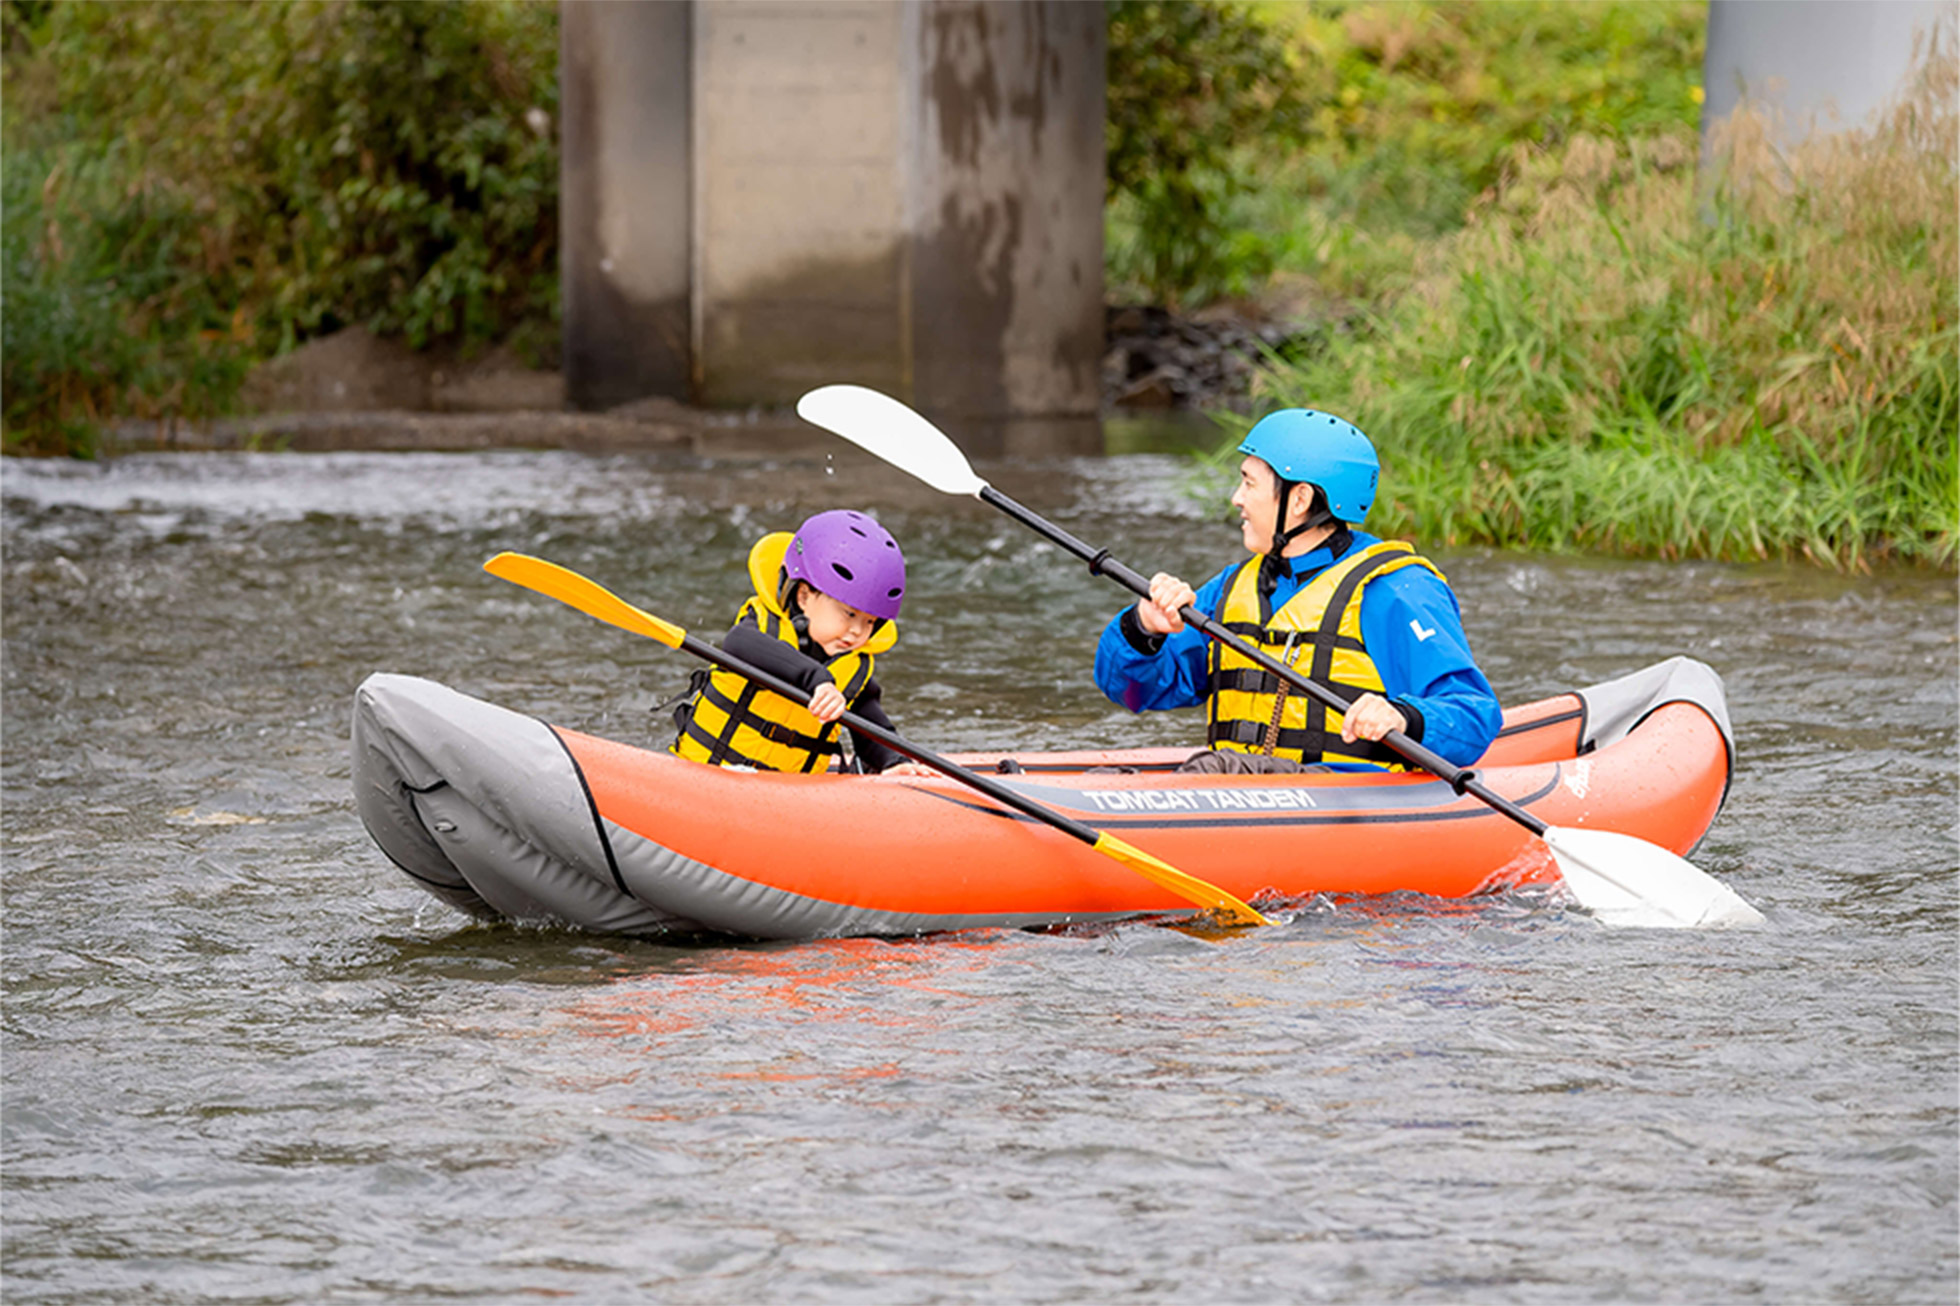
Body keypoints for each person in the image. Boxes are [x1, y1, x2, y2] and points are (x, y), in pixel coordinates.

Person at [1094, 408, 1500, 775]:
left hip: (1347, 804)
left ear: (1299, 499)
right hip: (1239, 792)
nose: (1236, 499)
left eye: (1249, 483)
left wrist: (1402, 717)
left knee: (1213, 769)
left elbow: (1472, 715)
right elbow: (1133, 692)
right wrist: (1143, 628)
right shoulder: (1234, 587)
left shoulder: (1393, 590)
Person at [672, 509, 927, 776]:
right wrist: (817, 680)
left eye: (870, 622)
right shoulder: (758, 632)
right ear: (804, 596)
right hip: (709, 771)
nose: (856, 632)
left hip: (792, 793)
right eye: (849, 614)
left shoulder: (852, 670)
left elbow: (873, 730)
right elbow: (737, 644)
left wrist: (895, 761)